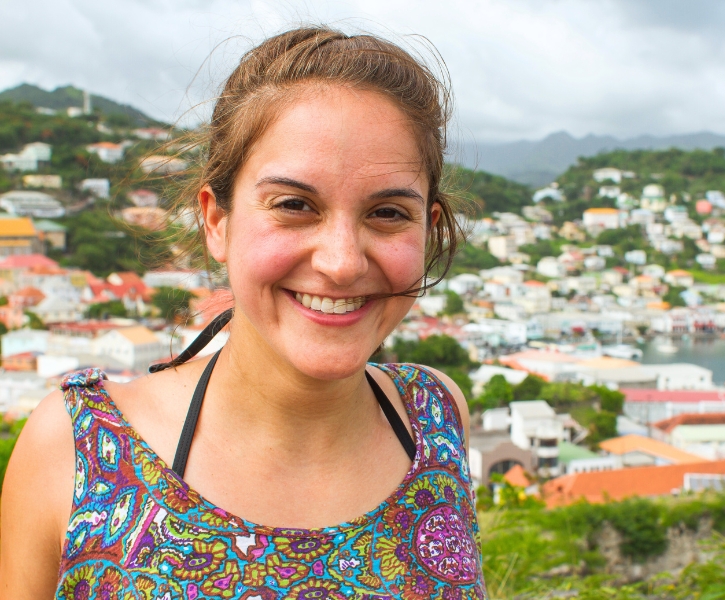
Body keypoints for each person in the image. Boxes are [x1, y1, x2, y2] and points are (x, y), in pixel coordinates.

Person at [0, 26, 485, 599]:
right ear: (216, 220)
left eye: (386, 213)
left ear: (427, 232)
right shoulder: (79, 448)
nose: (341, 263)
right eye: (295, 205)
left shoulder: (436, 419)